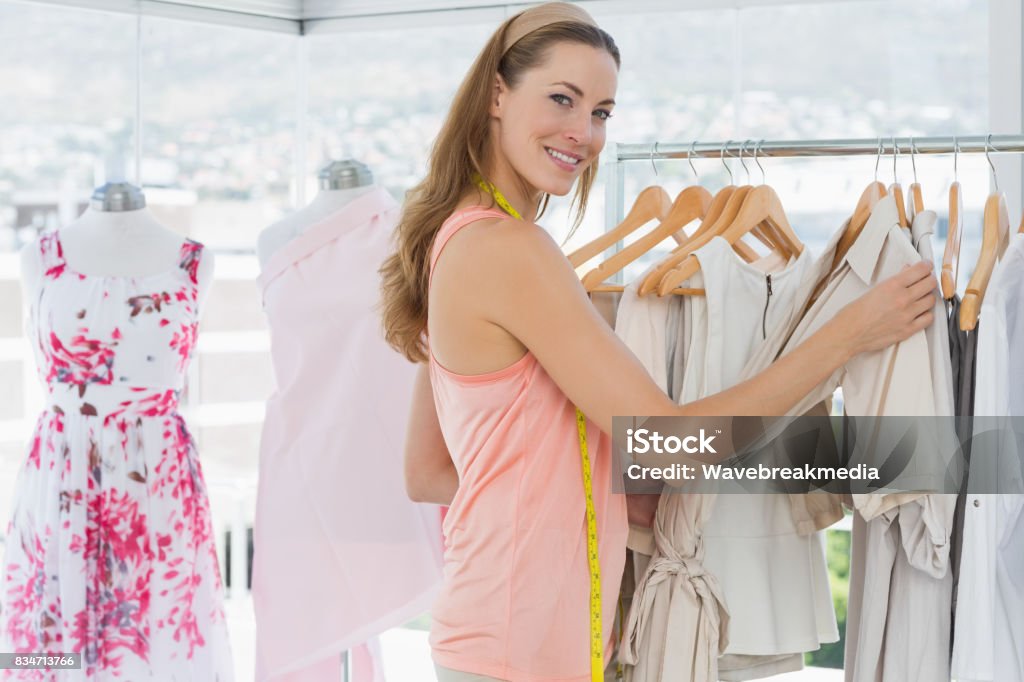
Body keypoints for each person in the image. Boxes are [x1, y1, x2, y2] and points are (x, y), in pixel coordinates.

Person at [379, 3, 937, 681]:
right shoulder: (512, 250)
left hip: (500, 635)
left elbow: (429, 470)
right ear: (498, 92)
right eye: (563, 98)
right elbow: (667, 443)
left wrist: (583, 495)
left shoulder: (458, 237)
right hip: (519, 653)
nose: (582, 132)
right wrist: (848, 336)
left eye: (602, 112)